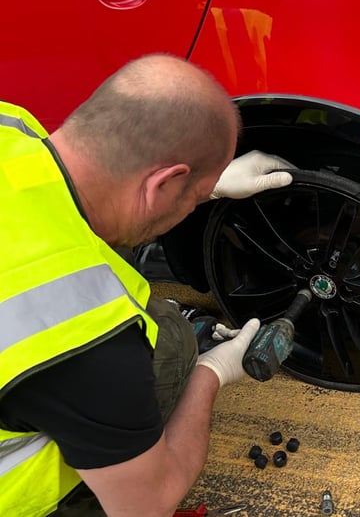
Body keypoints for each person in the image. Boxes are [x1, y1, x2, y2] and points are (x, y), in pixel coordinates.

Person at [0, 54, 293, 517]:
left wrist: (207, 185)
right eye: (194, 200)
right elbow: (149, 505)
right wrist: (211, 373)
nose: (196, 207)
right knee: (172, 347)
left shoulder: (9, 126)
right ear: (161, 184)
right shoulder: (85, 343)